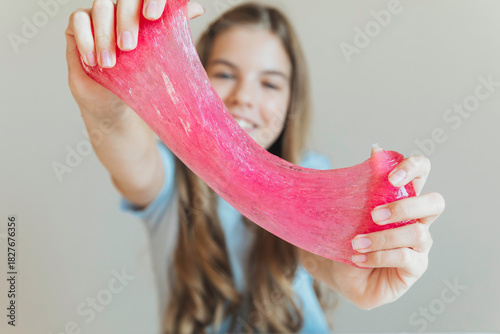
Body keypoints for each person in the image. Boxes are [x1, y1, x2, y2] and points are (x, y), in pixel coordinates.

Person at [65, 0, 445, 333]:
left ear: (291, 101)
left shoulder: (311, 169)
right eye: (225, 74)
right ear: (190, 72)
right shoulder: (170, 181)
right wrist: (107, 101)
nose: (244, 97)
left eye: (270, 83)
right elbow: (130, 156)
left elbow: (312, 252)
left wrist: (353, 259)